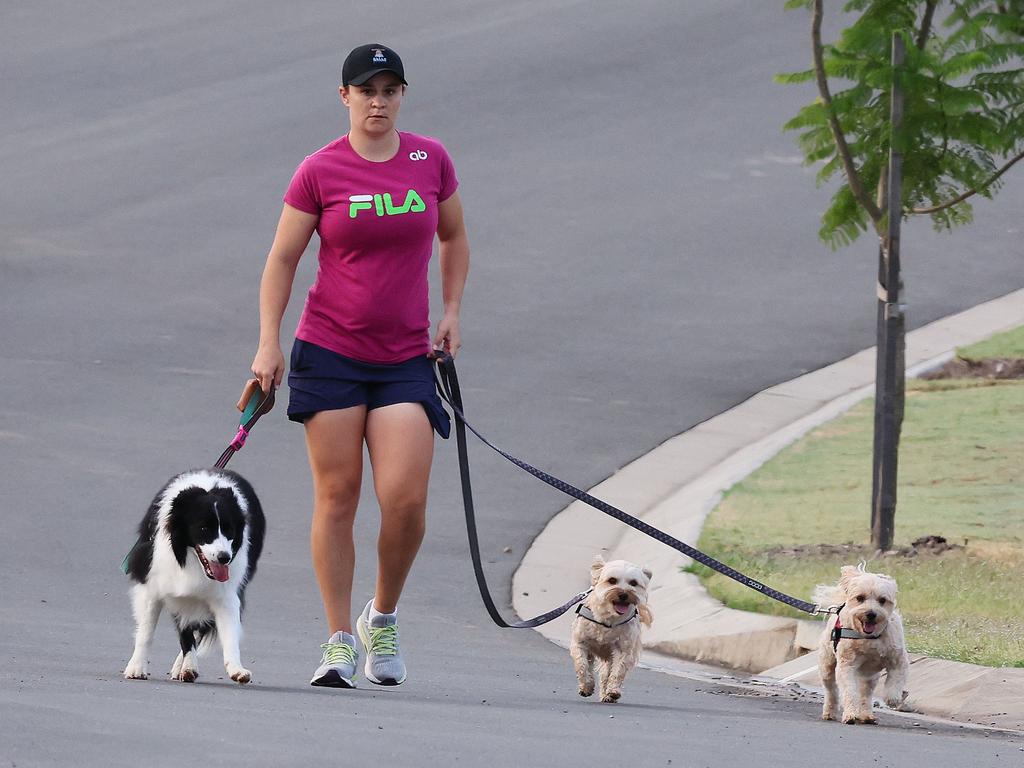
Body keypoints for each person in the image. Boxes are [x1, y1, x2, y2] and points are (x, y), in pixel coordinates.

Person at [249, 43, 469, 688]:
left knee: (404, 499)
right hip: (331, 351)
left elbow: (453, 236)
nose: (378, 101)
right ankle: (339, 640)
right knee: (338, 495)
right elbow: (283, 259)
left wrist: (451, 309)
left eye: (390, 90)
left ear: (402, 96)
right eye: (366, 90)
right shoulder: (320, 170)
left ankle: (384, 617)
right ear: (344, 97)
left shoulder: (431, 160)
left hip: (405, 356)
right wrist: (268, 341)